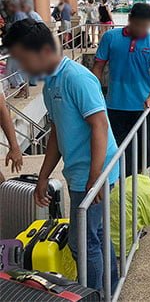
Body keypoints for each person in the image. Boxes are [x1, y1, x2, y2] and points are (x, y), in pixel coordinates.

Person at [4, 19, 118, 290]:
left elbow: (100, 126)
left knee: (83, 243)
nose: (21, 68)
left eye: (23, 60)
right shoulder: (51, 84)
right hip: (79, 171)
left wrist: (96, 178)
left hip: (94, 172)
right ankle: (110, 286)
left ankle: (95, 294)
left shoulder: (77, 78)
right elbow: (56, 133)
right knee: (95, 235)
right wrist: (43, 177)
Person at [91, 3, 150, 173]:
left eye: (146, 26)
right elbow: (98, 67)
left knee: (140, 156)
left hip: (142, 107)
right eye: (139, 25)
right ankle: (117, 187)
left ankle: (135, 187)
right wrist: (94, 94)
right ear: (130, 19)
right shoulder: (110, 38)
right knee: (114, 151)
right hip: (113, 106)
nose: (142, 30)